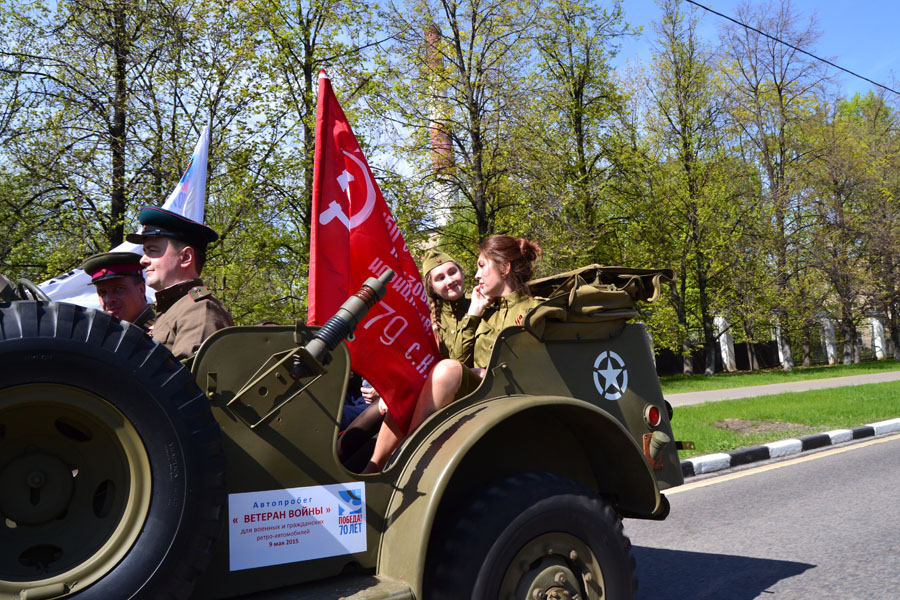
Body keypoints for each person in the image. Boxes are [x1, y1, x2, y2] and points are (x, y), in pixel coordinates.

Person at [363, 235, 543, 472]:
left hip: (500, 396)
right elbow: (460, 362)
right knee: (413, 387)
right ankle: (373, 467)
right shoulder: (486, 310)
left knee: (446, 370)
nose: (476, 275)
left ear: (505, 268)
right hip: (476, 393)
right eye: (439, 278)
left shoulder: (535, 311)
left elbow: (534, 369)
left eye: (481, 267)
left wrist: (488, 372)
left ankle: (406, 455)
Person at [126, 206, 233, 360]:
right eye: (144, 251)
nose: (143, 260)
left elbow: (185, 382)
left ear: (185, 257)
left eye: (153, 251)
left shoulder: (199, 310)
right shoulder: (173, 310)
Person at [82, 251, 155, 332]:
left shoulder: (162, 333)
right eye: (102, 293)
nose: (109, 300)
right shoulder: (104, 337)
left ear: (141, 289)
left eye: (119, 289)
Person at [422, 249, 472, 361]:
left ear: (462, 273)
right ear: (432, 288)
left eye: (452, 272)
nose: (449, 281)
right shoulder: (427, 323)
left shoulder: (484, 304)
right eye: (440, 278)